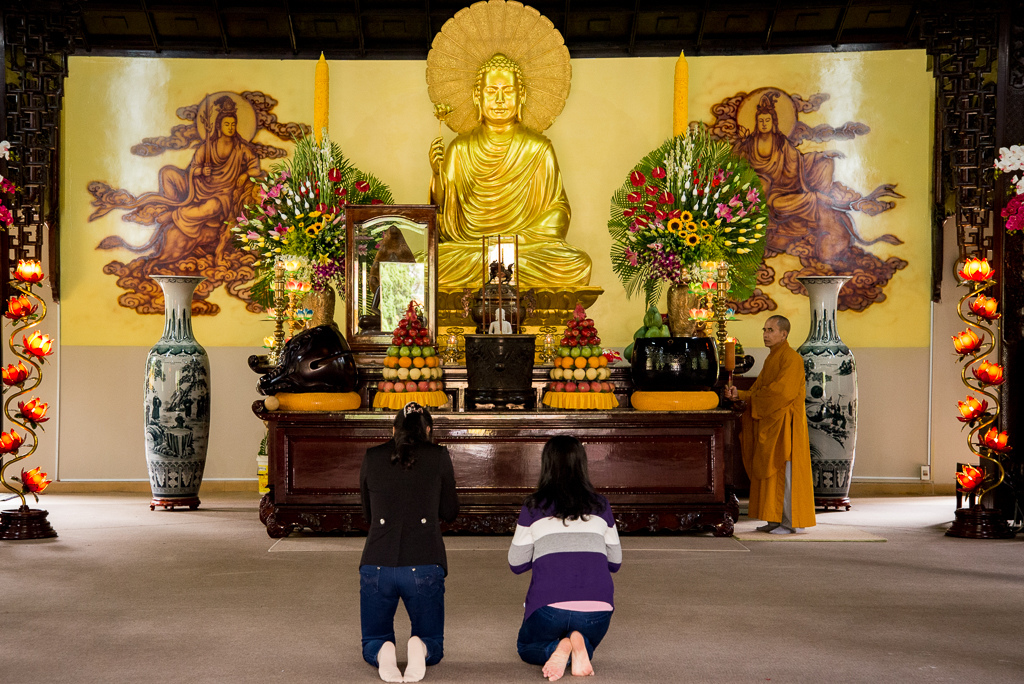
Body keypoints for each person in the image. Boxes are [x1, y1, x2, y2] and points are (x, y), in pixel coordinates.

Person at [428, 53, 592, 289]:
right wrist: (436, 174)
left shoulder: (538, 148)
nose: (500, 99)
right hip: (472, 249)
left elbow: (559, 211)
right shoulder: (460, 148)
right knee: (429, 263)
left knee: (578, 264)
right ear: (477, 96)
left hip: (523, 249)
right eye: (491, 90)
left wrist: (516, 240)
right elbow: (443, 213)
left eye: (508, 90)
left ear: (521, 95)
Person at [359, 403, 459, 682]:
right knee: (433, 644)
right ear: (428, 430)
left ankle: (384, 651)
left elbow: (368, 513)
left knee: (372, 641)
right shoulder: (438, 456)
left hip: (376, 563)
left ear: (393, 430)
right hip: (424, 562)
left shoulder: (372, 455)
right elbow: (450, 511)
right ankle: (420, 647)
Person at [508, 436, 621, 681]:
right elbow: (615, 561)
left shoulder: (533, 506)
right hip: (597, 610)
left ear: (546, 465)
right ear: (582, 464)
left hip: (549, 608)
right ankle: (576, 642)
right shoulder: (601, 505)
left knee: (526, 648)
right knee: (587, 636)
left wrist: (544, 554)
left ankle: (560, 648)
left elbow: (516, 564)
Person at [724, 315, 816, 534]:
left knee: (785, 472)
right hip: (772, 422)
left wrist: (751, 398)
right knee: (771, 473)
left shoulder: (792, 359)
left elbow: (781, 393)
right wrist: (741, 394)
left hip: (786, 426)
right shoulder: (772, 358)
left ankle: (791, 522)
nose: (766, 334)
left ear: (784, 334)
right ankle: (774, 518)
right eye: (764, 330)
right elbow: (759, 390)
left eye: (771, 330)